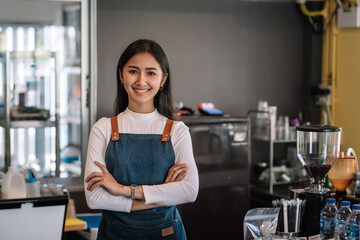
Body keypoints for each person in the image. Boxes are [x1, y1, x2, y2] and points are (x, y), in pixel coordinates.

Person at [84, 39, 199, 240]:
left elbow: (189, 191)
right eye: (133, 71)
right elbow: (95, 198)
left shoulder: (177, 131)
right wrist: (163, 195)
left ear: (163, 80)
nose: (141, 81)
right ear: (121, 75)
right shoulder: (103, 128)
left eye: (151, 73)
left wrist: (122, 190)